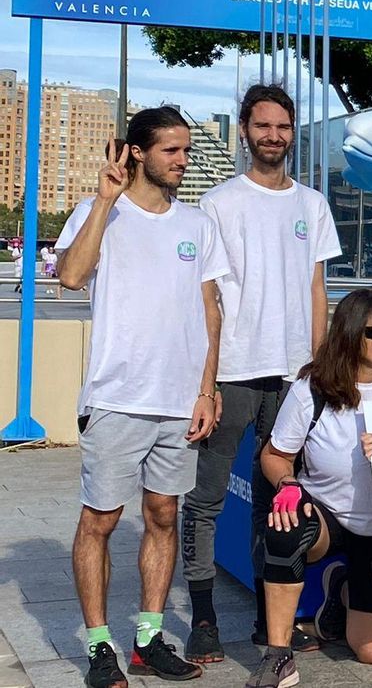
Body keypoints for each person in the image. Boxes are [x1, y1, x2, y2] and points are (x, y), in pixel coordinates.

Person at [57, 108, 227, 688]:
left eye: (185, 151)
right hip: (116, 397)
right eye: (172, 151)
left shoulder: (198, 224)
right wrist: (105, 202)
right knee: (99, 520)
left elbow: (210, 311)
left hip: (180, 401)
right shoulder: (95, 211)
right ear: (138, 152)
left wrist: (206, 389)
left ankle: (148, 638)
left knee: (162, 514)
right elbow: (72, 277)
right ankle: (99, 644)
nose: (183, 161)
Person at [183, 84, 342, 663]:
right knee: (205, 499)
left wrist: (320, 367)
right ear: (245, 131)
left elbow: (317, 290)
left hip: (294, 377)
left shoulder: (313, 204)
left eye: (283, 126)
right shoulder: (219, 204)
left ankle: (266, 620)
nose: (273, 136)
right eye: (262, 126)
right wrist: (207, 380)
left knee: (277, 500)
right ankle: (202, 618)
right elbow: (207, 301)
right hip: (233, 374)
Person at [249, 290, 372, 688]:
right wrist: (287, 483)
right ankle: (279, 655)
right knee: (287, 525)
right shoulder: (313, 390)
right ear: (351, 334)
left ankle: (341, 588)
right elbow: (274, 455)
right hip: (326, 516)